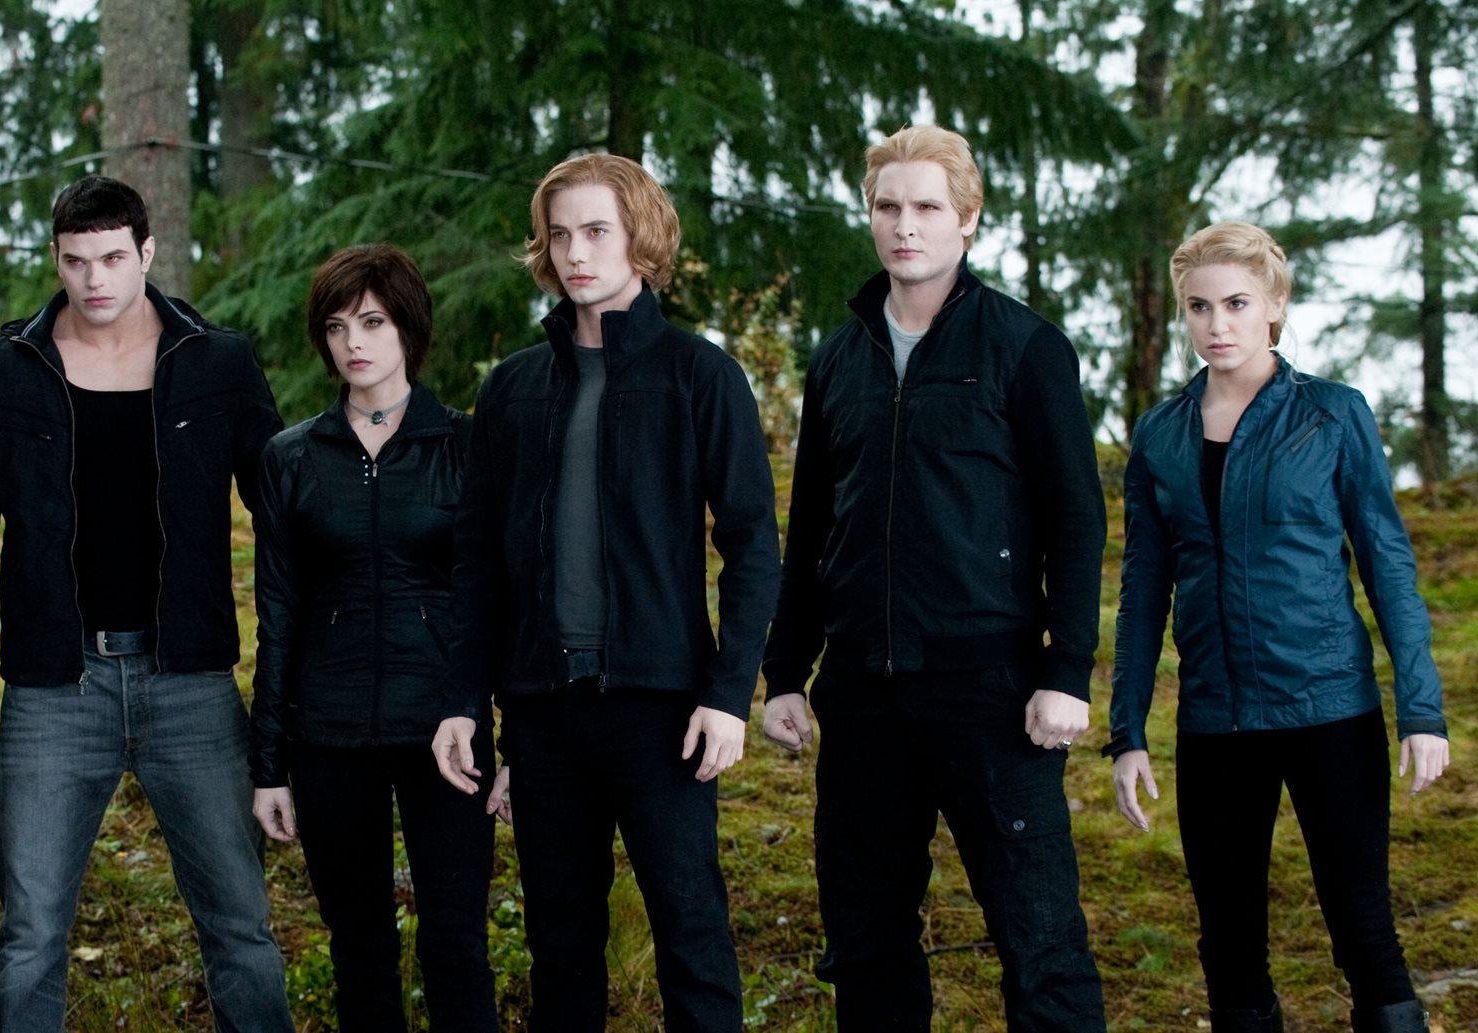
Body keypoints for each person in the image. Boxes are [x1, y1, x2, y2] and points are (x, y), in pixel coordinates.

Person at [759, 123, 1108, 1030]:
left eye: (926, 207)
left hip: (990, 688)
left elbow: (1076, 519)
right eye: (888, 206)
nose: (904, 225)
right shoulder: (838, 359)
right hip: (862, 691)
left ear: (968, 219)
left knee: (1039, 939)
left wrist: (1067, 670)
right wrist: (785, 671)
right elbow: (812, 528)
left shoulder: (1025, 347)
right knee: (866, 940)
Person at [0, 175, 294, 1032]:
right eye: (76, 261)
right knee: (29, 934)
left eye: (113, 258)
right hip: (55, 685)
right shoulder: (3, 372)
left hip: (190, 679)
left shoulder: (217, 362)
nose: (95, 279)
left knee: (240, 925)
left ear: (147, 252)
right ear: (56, 259)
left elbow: (284, 512)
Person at [430, 153, 780, 1033]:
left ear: (640, 238)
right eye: (560, 234)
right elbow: (477, 564)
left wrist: (727, 695)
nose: (576, 252)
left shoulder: (701, 376)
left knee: (691, 936)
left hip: (663, 709)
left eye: (597, 231)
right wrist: (465, 702)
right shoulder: (512, 388)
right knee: (560, 947)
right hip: (543, 711)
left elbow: (751, 546)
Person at [1107, 221, 1449, 1033]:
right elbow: (1143, 589)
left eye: (1236, 303)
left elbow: (1387, 565)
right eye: (1199, 307)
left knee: (1365, 932)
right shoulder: (1160, 434)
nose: (1217, 324)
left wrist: (1423, 711)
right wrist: (1128, 730)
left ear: (1275, 305)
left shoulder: (1332, 415)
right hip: (1215, 722)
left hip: (1330, 709)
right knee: (1229, 948)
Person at [249, 243, 496, 1031]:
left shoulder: (467, 445)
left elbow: (498, 601)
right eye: (336, 326)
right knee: (359, 948)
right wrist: (268, 765)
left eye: (373, 321)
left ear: (409, 328)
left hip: (446, 734)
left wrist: (508, 735)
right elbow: (278, 613)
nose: (352, 342)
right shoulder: (291, 457)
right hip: (329, 735)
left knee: (456, 945)